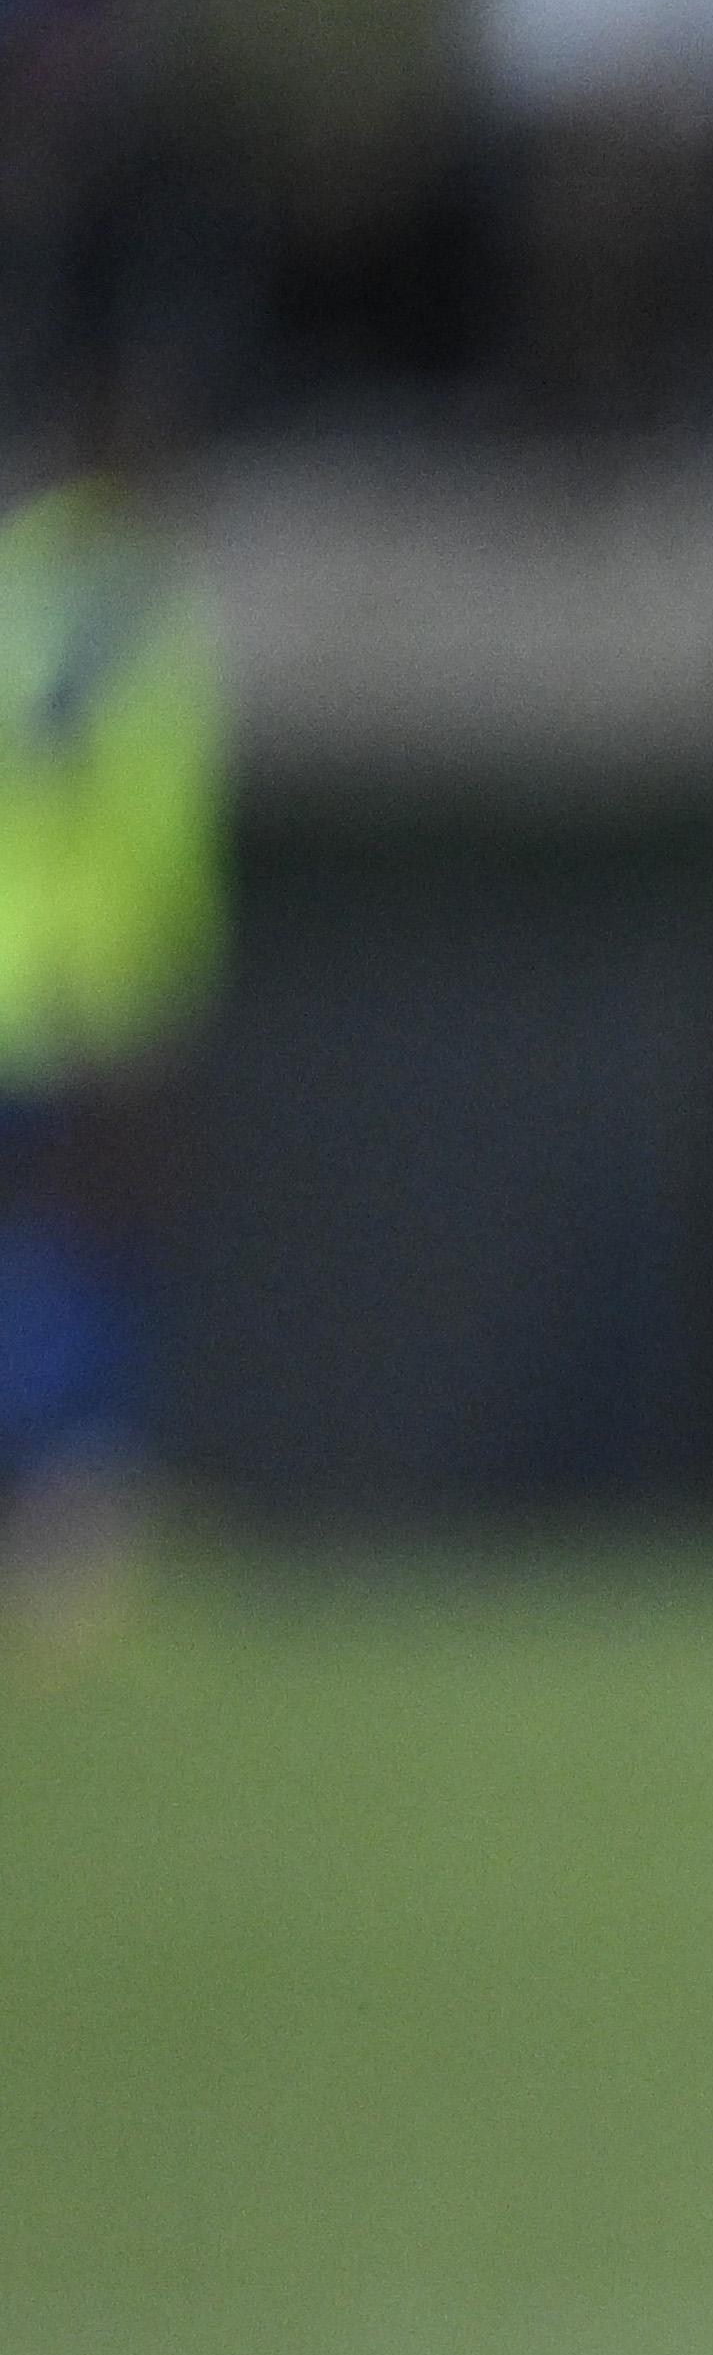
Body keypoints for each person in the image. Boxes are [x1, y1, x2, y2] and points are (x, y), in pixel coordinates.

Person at [0, 436, 219, 1654]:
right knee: (81, 1255)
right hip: (82, 986)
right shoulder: (114, 595)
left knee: (69, 1246)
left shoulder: (24, 580)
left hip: (38, 974)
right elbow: (69, 753)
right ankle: (65, 1511)